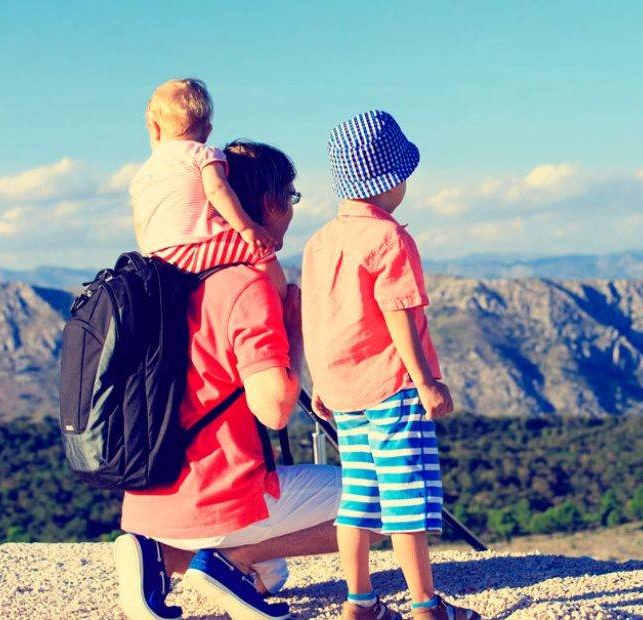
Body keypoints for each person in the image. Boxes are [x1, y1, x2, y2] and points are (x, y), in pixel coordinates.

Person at [116, 140, 347, 620]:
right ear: (269, 203)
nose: (291, 210)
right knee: (386, 495)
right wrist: (294, 330)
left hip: (151, 499)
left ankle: (160, 558)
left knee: (272, 578)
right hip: (217, 494)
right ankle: (230, 559)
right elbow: (274, 409)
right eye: (292, 197)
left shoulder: (169, 278)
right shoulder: (246, 285)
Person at [302, 110, 480, 620]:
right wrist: (426, 381)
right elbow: (398, 313)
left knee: (356, 496)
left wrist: (321, 382)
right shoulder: (389, 240)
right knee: (406, 500)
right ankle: (425, 606)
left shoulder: (317, 244)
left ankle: (360, 603)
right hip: (393, 387)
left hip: (342, 391)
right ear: (389, 180)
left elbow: (318, 318)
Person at [129, 78, 288, 298]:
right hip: (190, 249)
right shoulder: (203, 154)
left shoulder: (143, 173)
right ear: (207, 131)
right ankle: (280, 300)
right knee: (260, 251)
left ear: (154, 129)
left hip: (155, 258)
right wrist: (246, 228)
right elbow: (217, 191)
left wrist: (149, 251)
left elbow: (139, 219)